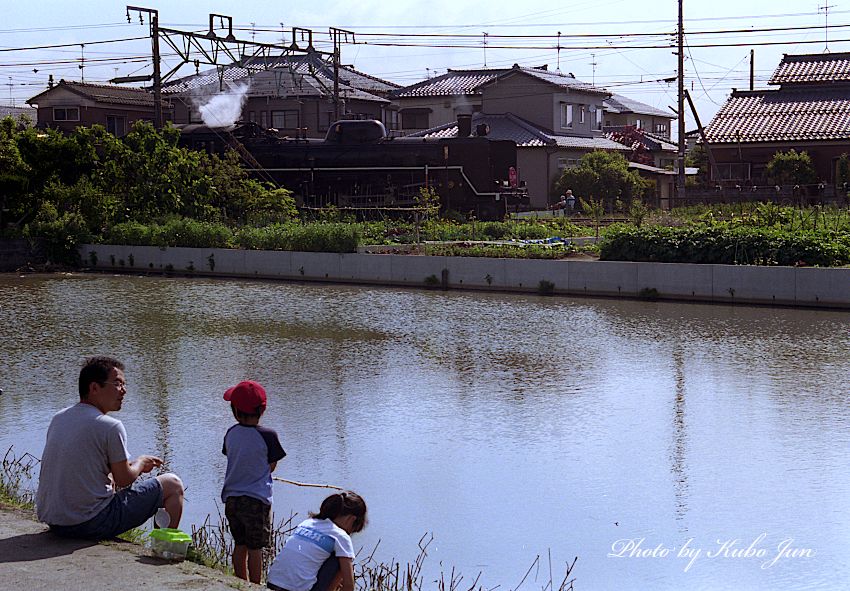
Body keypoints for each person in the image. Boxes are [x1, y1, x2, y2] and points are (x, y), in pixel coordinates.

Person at [35, 356, 184, 539]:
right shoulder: (110, 426)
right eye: (117, 384)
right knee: (172, 484)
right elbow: (124, 479)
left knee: (111, 479)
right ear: (94, 388)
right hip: (90, 523)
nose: (124, 391)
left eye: (123, 384)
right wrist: (140, 462)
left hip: (56, 522)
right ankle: (164, 546)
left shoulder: (59, 418)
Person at [221, 380, 286, 584]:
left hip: (232, 499)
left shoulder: (231, 433)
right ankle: (255, 586)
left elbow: (233, 455)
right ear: (263, 409)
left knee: (240, 544)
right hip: (256, 500)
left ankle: (240, 583)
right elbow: (271, 465)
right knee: (256, 548)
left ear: (235, 411)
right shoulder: (268, 436)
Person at [266, 491, 368, 591]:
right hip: (296, 589)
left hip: (272, 582)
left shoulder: (307, 523)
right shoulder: (341, 536)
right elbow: (349, 585)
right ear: (351, 519)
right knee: (341, 562)